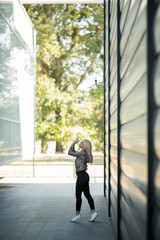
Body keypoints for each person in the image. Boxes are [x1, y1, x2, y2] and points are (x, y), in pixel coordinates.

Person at [68, 138, 98, 222]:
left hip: (82, 176)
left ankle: (77, 214)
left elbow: (70, 152)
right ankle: (93, 212)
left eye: (82, 142)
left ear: (84, 145)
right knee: (87, 195)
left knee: (78, 195)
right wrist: (74, 145)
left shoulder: (82, 153)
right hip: (84, 176)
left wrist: (73, 143)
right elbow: (74, 152)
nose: (80, 143)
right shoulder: (84, 153)